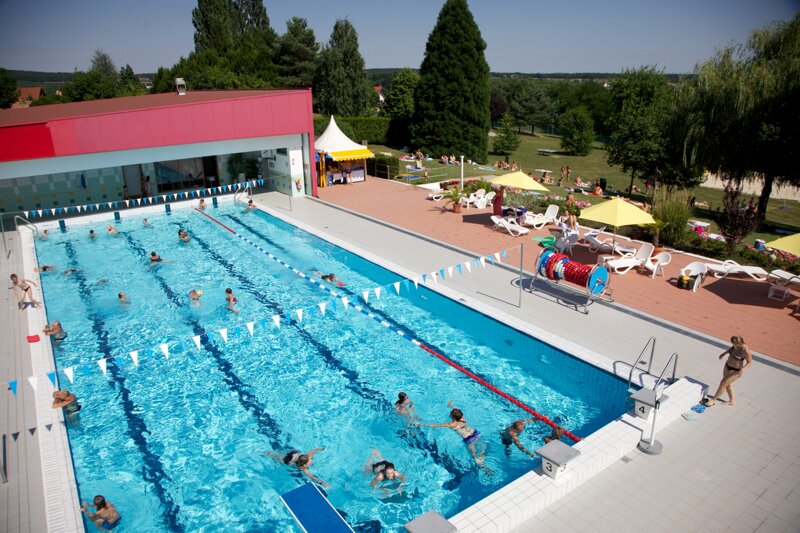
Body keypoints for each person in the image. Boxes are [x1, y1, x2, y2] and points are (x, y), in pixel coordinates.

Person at [417, 401, 486, 466]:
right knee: (481, 449)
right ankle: (482, 458)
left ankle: (482, 465)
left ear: (453, 417)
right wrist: (452, 406)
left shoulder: (451, 424)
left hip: (469, 439)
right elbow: (457, 412)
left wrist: (422, 424)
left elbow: (435, 425)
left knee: (474, 457)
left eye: (450, 413)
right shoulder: (462, 418)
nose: (450, 413)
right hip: (475, 433)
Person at [702, 336, 753, 407]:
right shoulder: (735, 346)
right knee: (727, 384)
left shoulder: (745, 350)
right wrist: (724, 353)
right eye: (733, 343)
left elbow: (750, 362)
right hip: (727, 366)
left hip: (736, 370)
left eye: (735, 343)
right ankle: (732, 401)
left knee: (723, 383)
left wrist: (743, 370)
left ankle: (713, 400)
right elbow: (730, 349)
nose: (733, 345)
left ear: (740, 343)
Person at [259, 447, 329, 488]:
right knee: (272, 455)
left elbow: (313, 450)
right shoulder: (302, 468)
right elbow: (312, 477)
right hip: (286, 460)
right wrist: (322, 483)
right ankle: (262, 451)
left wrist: (323, 448)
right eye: (310, 460)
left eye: (310, 458)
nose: (311, 460)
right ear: (304, 465)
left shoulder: (308, 456)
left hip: (294, 453)